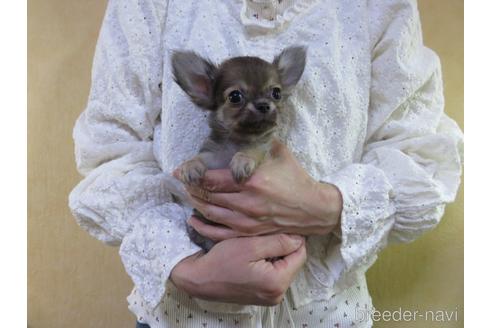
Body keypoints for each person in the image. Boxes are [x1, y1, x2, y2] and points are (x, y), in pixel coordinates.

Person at [68, 0, 463, 327]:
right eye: (237, 97)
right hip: (185, 313)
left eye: (274, 94)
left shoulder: (381, 8)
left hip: (325, 311)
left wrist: (328, 206)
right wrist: (184, 265)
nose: (263, 104)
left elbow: (417, 150)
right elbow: (110, 149)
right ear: (204, 92)